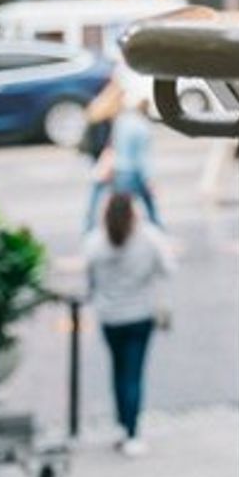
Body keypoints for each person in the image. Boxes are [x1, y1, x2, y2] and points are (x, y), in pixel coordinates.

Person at [84, 190, 174, 457]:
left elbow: (90, 279)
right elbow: (169, 269)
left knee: (117, 370)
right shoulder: (148, 238)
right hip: (140, 315)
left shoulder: (96, 242)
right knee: (133, 373)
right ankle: (132, 432)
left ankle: (122, 424)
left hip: (109, 316)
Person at [88, 98, 161, 231]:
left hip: (120, 171)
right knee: (149, 207)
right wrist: (149, 179)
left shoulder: (122, 120)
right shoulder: (142, 126)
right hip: (134, 173)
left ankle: (108, 234)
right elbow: (142, 157)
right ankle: (159, 234)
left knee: (119, 210)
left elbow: (114, 145)